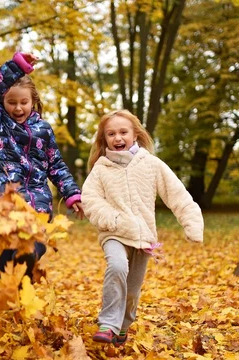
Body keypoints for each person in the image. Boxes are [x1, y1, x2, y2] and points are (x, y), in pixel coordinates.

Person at [82, 109, 204, 345]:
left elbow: (176, 194)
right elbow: (91, 201)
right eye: (111, 134)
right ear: (104, 139)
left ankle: (123, 327)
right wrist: (114, 221)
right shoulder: (101, 168)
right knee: (117, 266)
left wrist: (192, 224)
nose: (117, 138)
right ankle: (108, 323)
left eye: (123, 132)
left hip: (143, 238)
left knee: (132, 289)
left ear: (135, 135)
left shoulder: (151, 164)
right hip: (114, 234)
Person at [0, 51, 84, 280]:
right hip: (4, 204)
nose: (17, 108)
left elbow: (56, 164)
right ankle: (13, 303)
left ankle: (23, 295)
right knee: (5, 265)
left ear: (33, 101)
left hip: (37, 206)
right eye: (11, 102)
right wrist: (16, 66)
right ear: (2, 101)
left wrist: (72, 193)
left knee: (30, 256)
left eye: (23, 102)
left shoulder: (43, 129)